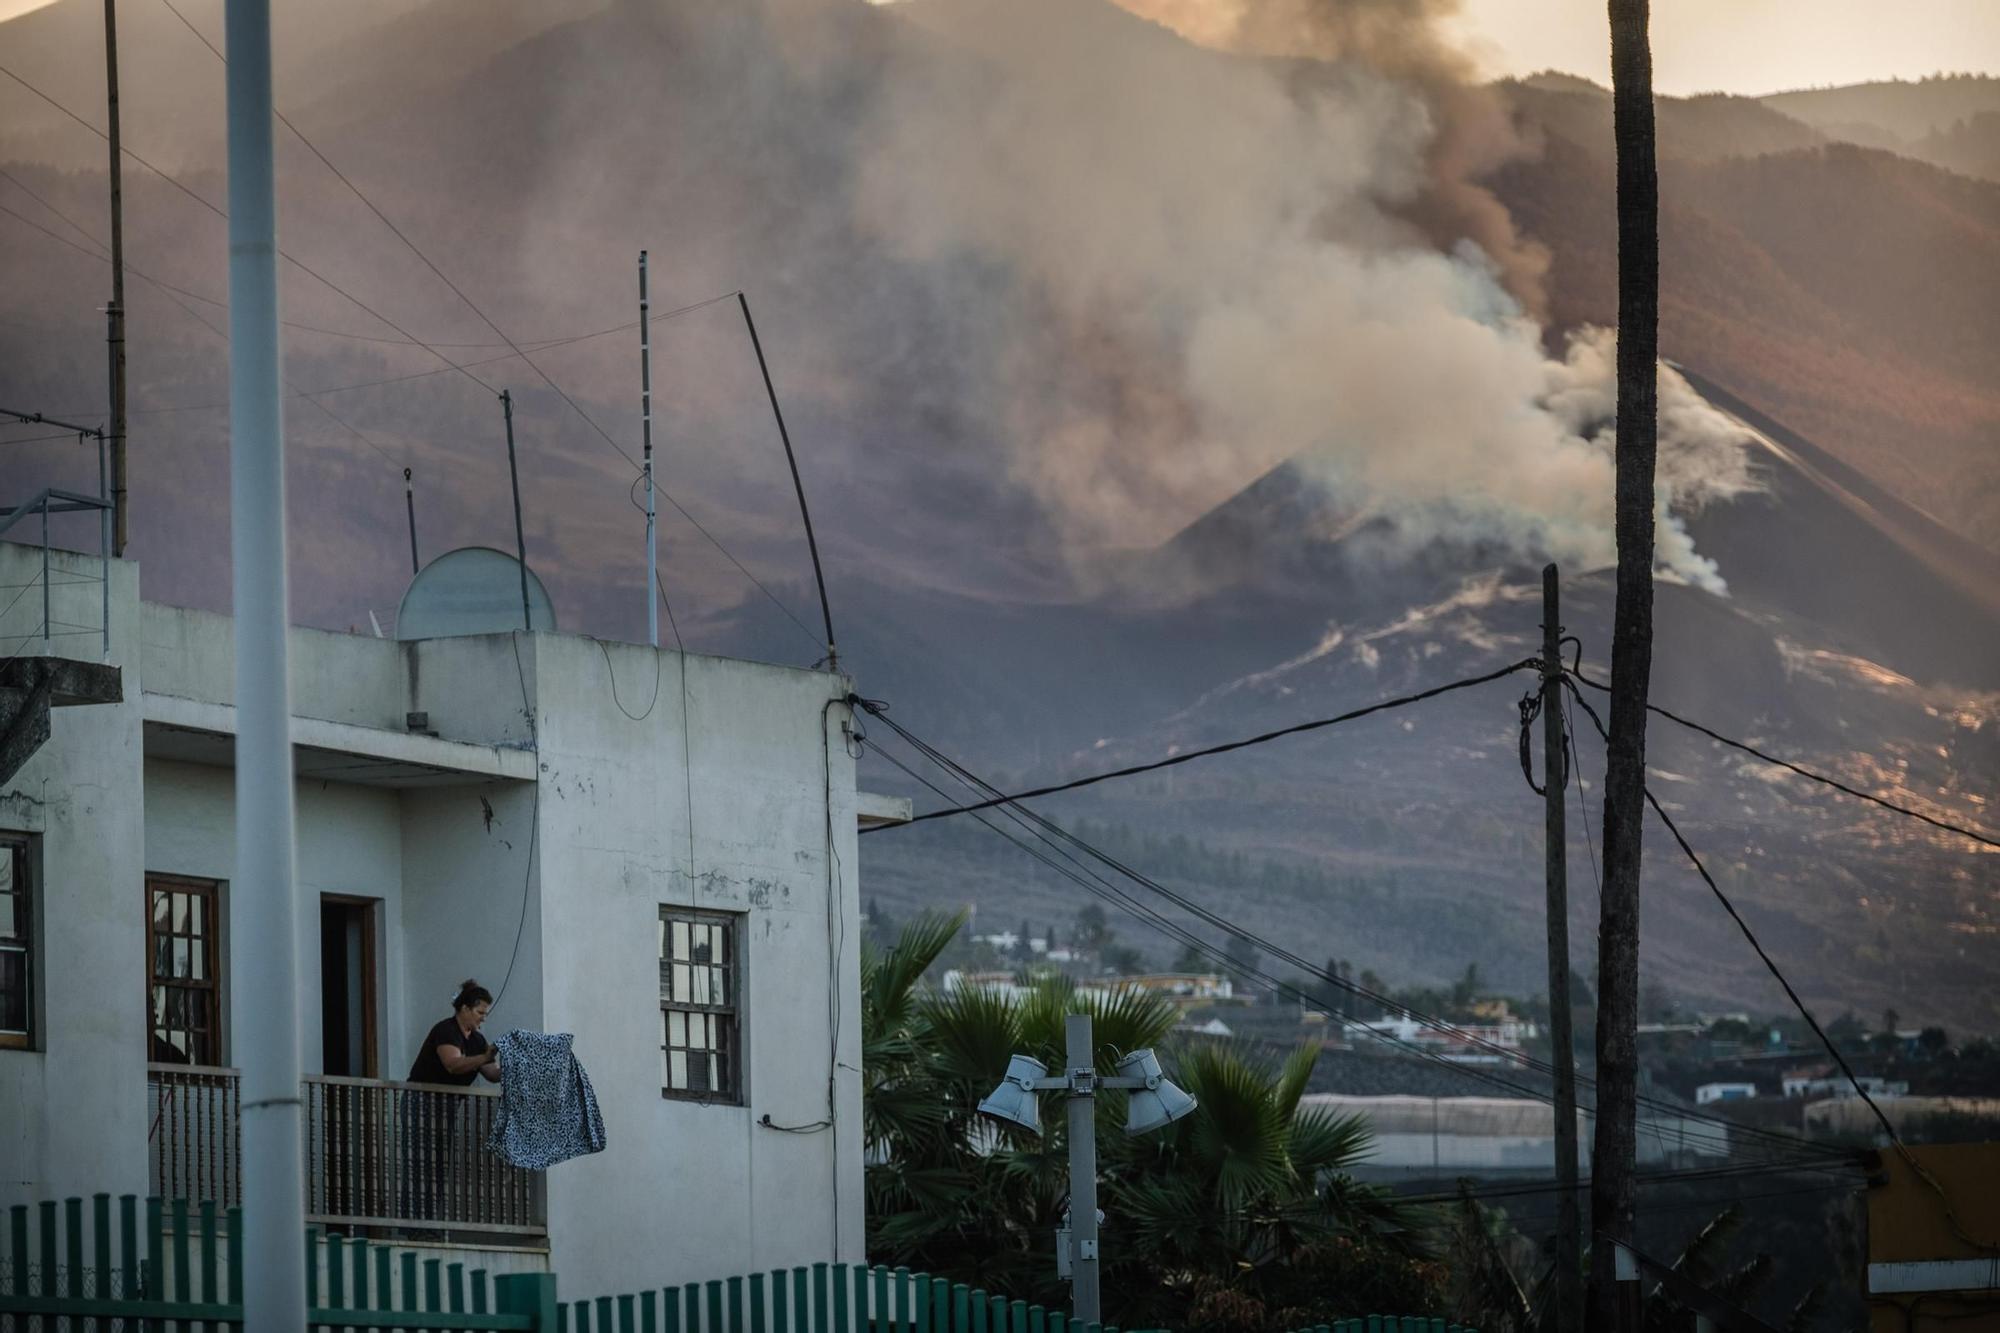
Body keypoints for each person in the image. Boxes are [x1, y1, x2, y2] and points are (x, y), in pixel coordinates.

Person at [400, 980, 502, 1233]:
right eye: (480, 1013)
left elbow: (490, 1073)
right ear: (465, 1009)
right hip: (422, 1103)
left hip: (445, 1107)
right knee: (419, 1162)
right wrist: (484, 1057)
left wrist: (516, 1068)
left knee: (437, 1166)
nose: (483, 1019)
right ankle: (412, 1227)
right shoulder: (446, 1030)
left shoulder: (477, 1041)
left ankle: (429, 1225)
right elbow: (453, 1064)